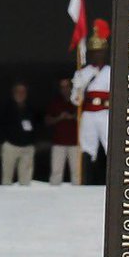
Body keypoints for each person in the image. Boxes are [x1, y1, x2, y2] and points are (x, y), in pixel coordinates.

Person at [70, 20, 111, 184]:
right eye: (93, 52)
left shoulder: (110, 72)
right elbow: (76, 100)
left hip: (105, 113)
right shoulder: (83, 72)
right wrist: (78, 87)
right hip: (88, 114)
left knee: (110, 145)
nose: (96, 55)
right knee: (87, 147)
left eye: (99, 52)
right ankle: (87, 180)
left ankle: (108, 180)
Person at [0, 82, 38, 186]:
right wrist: (4, 139)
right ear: (13, 93)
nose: (21, 94)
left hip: (27, 148)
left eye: (23, 91)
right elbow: (0, 125)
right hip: (11, 146)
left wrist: (32, 142)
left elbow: (36, 125)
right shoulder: (6, 107)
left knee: (25, 181)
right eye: (18, 91)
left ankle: (24, 196)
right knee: (7, 179)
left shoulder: (30, 108)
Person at [46, 77, 81, 186]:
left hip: (75, 143)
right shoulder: (55, 102)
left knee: (77, 173)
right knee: (56, 172)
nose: (65, 89)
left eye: (67, 86)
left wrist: (74, 117)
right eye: (62, 87)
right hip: (58, 143)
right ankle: (53, 194)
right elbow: (47, 121)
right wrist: (59, 118)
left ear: (71, 87)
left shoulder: (78, 101)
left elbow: (86, 119)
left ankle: (78, 194)